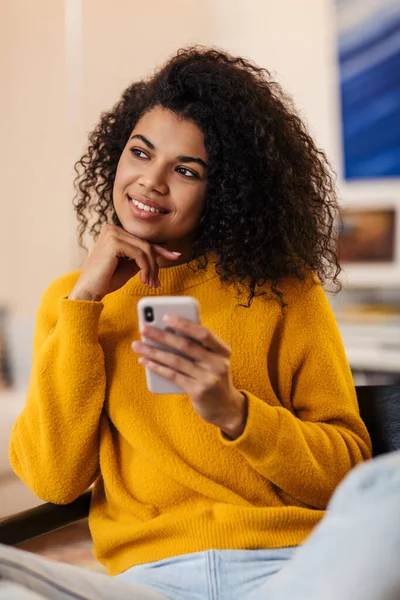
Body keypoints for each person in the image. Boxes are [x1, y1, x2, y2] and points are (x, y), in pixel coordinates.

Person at [6, 46, 373, 598]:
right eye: (140, 153)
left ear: (224, 192)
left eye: (185, 170)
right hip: (151, 584)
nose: (151, 182)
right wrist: (84, 301)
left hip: (287, 569)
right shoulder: (71, 303)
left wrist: (235, 412)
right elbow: (54, 479)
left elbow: (348, 472)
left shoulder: (285, 290)